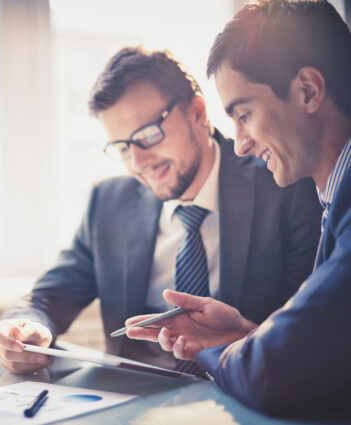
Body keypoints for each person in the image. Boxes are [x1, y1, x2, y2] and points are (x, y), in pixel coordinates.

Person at [0, 46, 321, 378]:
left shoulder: (283, 185)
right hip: (132, 403)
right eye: (122, 147)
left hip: (241, 394)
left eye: (148, 135)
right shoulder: (109, 203)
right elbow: (48, 296)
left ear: (197, 112)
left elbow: (308, 334)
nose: (138, 162)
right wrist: (24, 327)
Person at [125, 0, 351, 417]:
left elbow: (274, 372)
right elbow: (330, 352)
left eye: (244, 114)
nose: (241, 143)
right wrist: (249, 334)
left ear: (308, 90)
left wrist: (228, 348)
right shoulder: (334, 199)